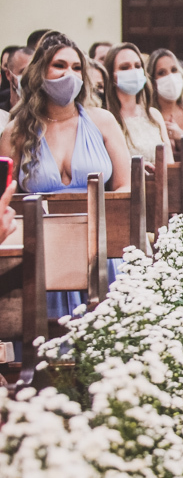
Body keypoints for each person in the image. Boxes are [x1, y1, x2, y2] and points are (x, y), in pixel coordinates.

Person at [0, 31, 131, 317]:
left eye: (76, 67)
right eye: (59, 65)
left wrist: (100, 230)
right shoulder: (16, 132)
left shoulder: (103, 121)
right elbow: (6, 199)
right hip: (43, 255)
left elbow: (125, 187)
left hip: (100, 248)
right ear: (39, 71)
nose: (69, 74)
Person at [104, 43, 170, 164]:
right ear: (112, 75)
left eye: (137, 66)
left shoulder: (154, 115)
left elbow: (169, 162)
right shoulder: (106, 118)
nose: (133, 71)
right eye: (125, 67)